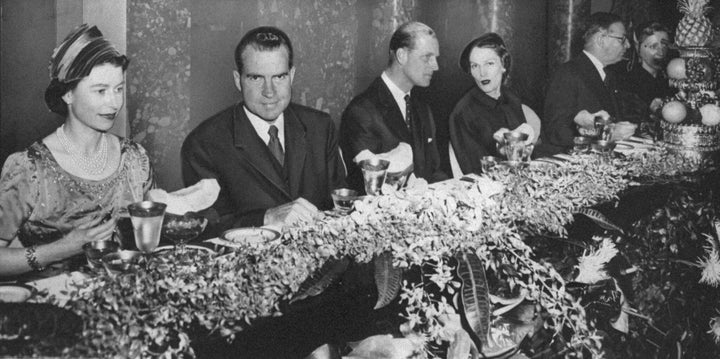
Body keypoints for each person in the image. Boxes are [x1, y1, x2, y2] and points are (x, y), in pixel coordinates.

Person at [0, 24, 153, 277]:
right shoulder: (28, 168)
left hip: (124, 303)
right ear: (68, 94)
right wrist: (61, 249)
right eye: (101, 91)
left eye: (118, 89)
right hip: (51, 307)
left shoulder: (135, 159)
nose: (114, 102)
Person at [181, 26, 345, 233]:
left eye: (279, 77)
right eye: (256, 78)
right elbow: (203, 227)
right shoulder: (204, 143)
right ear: (237, 80)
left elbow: (341, 207)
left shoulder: (321, 127)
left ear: (292, 76)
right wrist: (266, 217)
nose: (270, 92)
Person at [340, 21, 447, 193]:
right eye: (427, 57)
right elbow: (369, 189)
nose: (435, 66)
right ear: (401, 55)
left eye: (435, 58)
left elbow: (433, 172)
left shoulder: (423, 108)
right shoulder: (361, 112)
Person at [448, 33, 541, 176]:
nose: (482, 73)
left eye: (489, 63)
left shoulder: (511, 98)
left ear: (503, 65)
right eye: (474, 66)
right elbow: (475, 171)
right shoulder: (463, 113)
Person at [542, 12, 630, 154]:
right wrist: (605, 134)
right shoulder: (568, 74)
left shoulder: (609, 75)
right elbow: (556, 130)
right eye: (622, 39)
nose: (628, 45)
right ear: (601, 39)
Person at [616, 21, 675, 113]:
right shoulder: (628, 82)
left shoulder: (670, 79)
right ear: (637, 47)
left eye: (665, 46)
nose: (661, 52)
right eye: (653, 47)